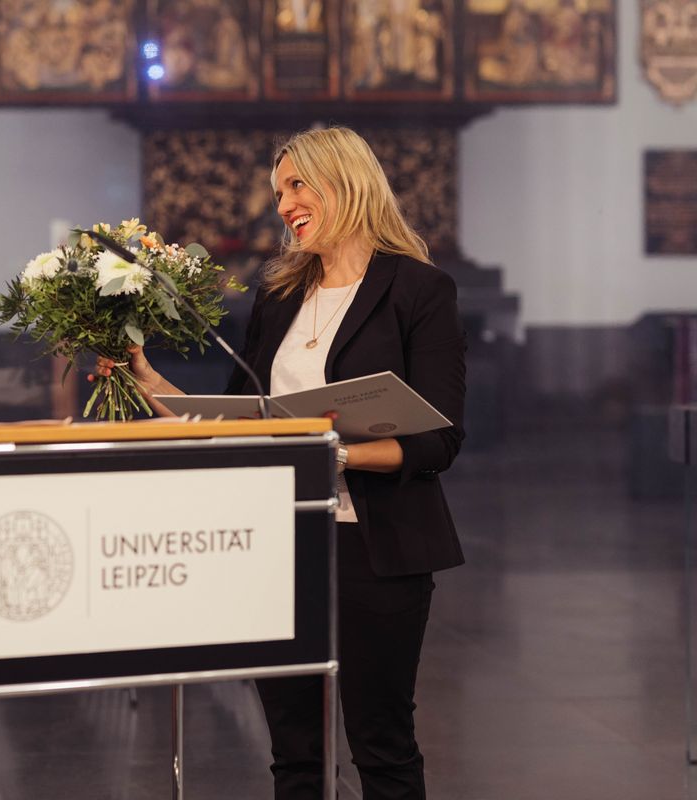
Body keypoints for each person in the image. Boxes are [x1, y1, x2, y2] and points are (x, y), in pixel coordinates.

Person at [95, 126, 466, 799]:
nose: (284, 204)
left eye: (297, 186)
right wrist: (148, 380)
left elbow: (439, 440)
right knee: (294, 751)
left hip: (376, 548)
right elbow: (242, 422)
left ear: (344, 182)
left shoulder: (419, 291)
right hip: (280, 542)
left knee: (380, 742)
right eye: (278, 192)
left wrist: (338, 453)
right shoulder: (278, 296)